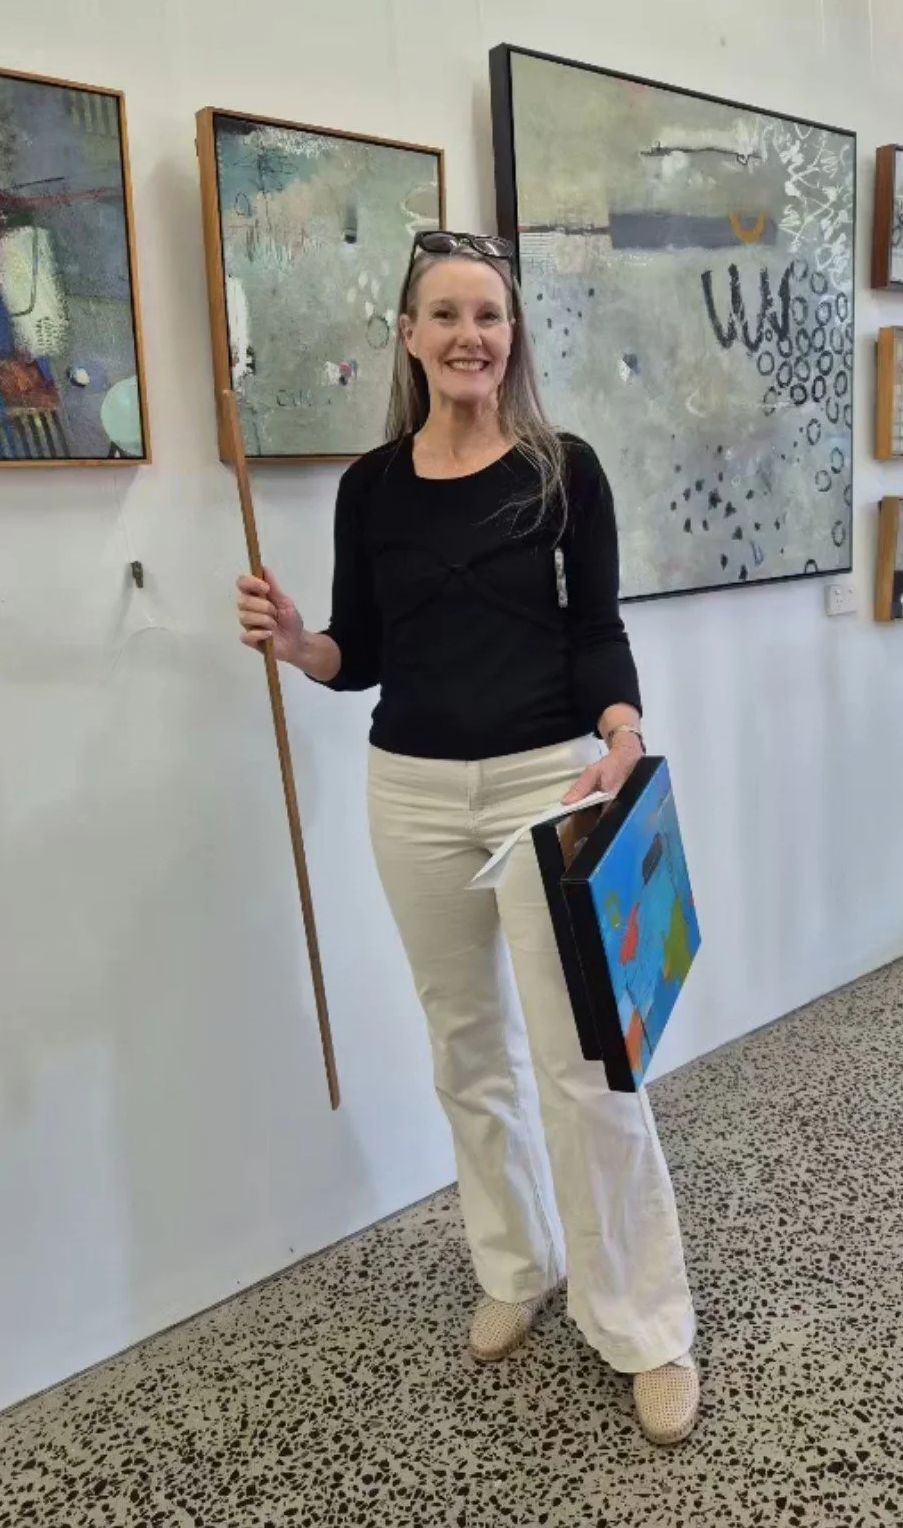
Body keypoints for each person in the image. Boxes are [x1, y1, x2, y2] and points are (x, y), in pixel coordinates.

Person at [235, 231, 699, 1444]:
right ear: (407, 334)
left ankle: (646, 1322)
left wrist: (623, 726)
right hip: (414, 790)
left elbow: (595, 629)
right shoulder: (370, 489)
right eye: (444, 313)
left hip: (552, 786)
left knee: (589, 1064)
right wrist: (297, 643)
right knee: (467, 1050)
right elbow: (363, 656)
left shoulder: (563, 469)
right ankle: (517, 1263)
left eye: (487, 314)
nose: (468, 335)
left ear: (512, 335)